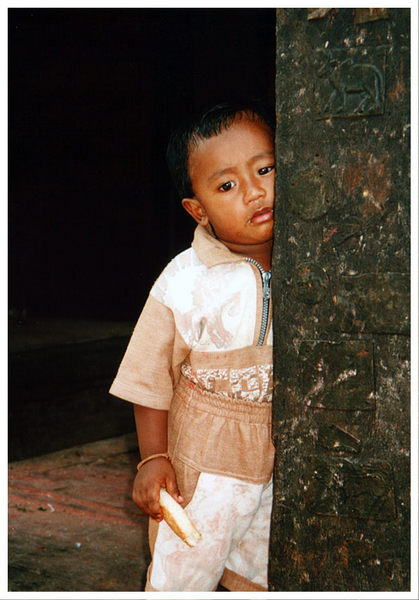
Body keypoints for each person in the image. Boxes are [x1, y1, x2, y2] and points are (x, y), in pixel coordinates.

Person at [109, 100, 276, 591]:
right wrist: (152, 459)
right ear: (198, 210)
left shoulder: (307, 263)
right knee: (183, 576)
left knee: (258, 576)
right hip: (201, 469)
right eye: (227, 185)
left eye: (265, 168)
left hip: (272, 465)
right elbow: (148, 375)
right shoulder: (184, 280)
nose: (253, 190)